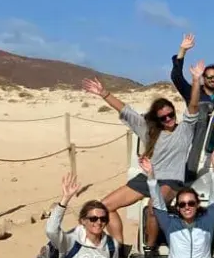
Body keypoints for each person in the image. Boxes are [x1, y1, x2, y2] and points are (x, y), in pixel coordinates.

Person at [82, 66, 202, 246]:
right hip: (148, 177)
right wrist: (103, 93)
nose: (168, 119)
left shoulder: (184, 130)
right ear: (157, 119)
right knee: (104, 207)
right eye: (163, 118)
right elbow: (126, 111)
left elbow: (193, 106)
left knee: (153, 208)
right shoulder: (149, 131)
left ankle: (149, 249)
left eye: (170, 115)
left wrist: (196, 80)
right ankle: (119, 247)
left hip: (171, 181)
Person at [172, 33, 214, 177]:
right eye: (209, 77)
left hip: (213, 150)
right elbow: (176, 77)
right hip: (191, 149)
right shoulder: (192, 93)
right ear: (203, 78)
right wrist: (182, 50)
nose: (213, 79)